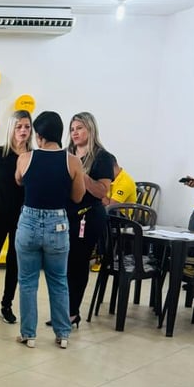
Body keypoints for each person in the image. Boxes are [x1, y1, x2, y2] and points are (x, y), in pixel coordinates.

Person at [15, 111, 85, 347]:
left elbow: (19, 180)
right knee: (58, 280)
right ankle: (62, 334)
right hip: (58, 223)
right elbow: (78, 196)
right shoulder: (72, 161)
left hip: (29, 222)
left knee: (27, 281)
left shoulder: (25, 158)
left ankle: (29, 334)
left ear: (39, 136)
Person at [0, 110, 32, 324]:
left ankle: (6, 305)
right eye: (19, 126)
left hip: (23, 218)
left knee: (15, 263)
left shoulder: (33, 157)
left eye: (27, 126)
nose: (23, 131)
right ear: (11, 129)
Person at [65, 111, 115, 326]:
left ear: (90, 129)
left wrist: (81, 174)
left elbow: (102, 192)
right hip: (67, 216)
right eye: (72, 129)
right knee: (64, 264)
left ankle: (72, 312)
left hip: (88, 217)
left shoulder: (103, 157)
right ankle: (63, 309)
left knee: (78, 262)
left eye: (80, 128)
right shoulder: (66, 154)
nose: (75, 133)